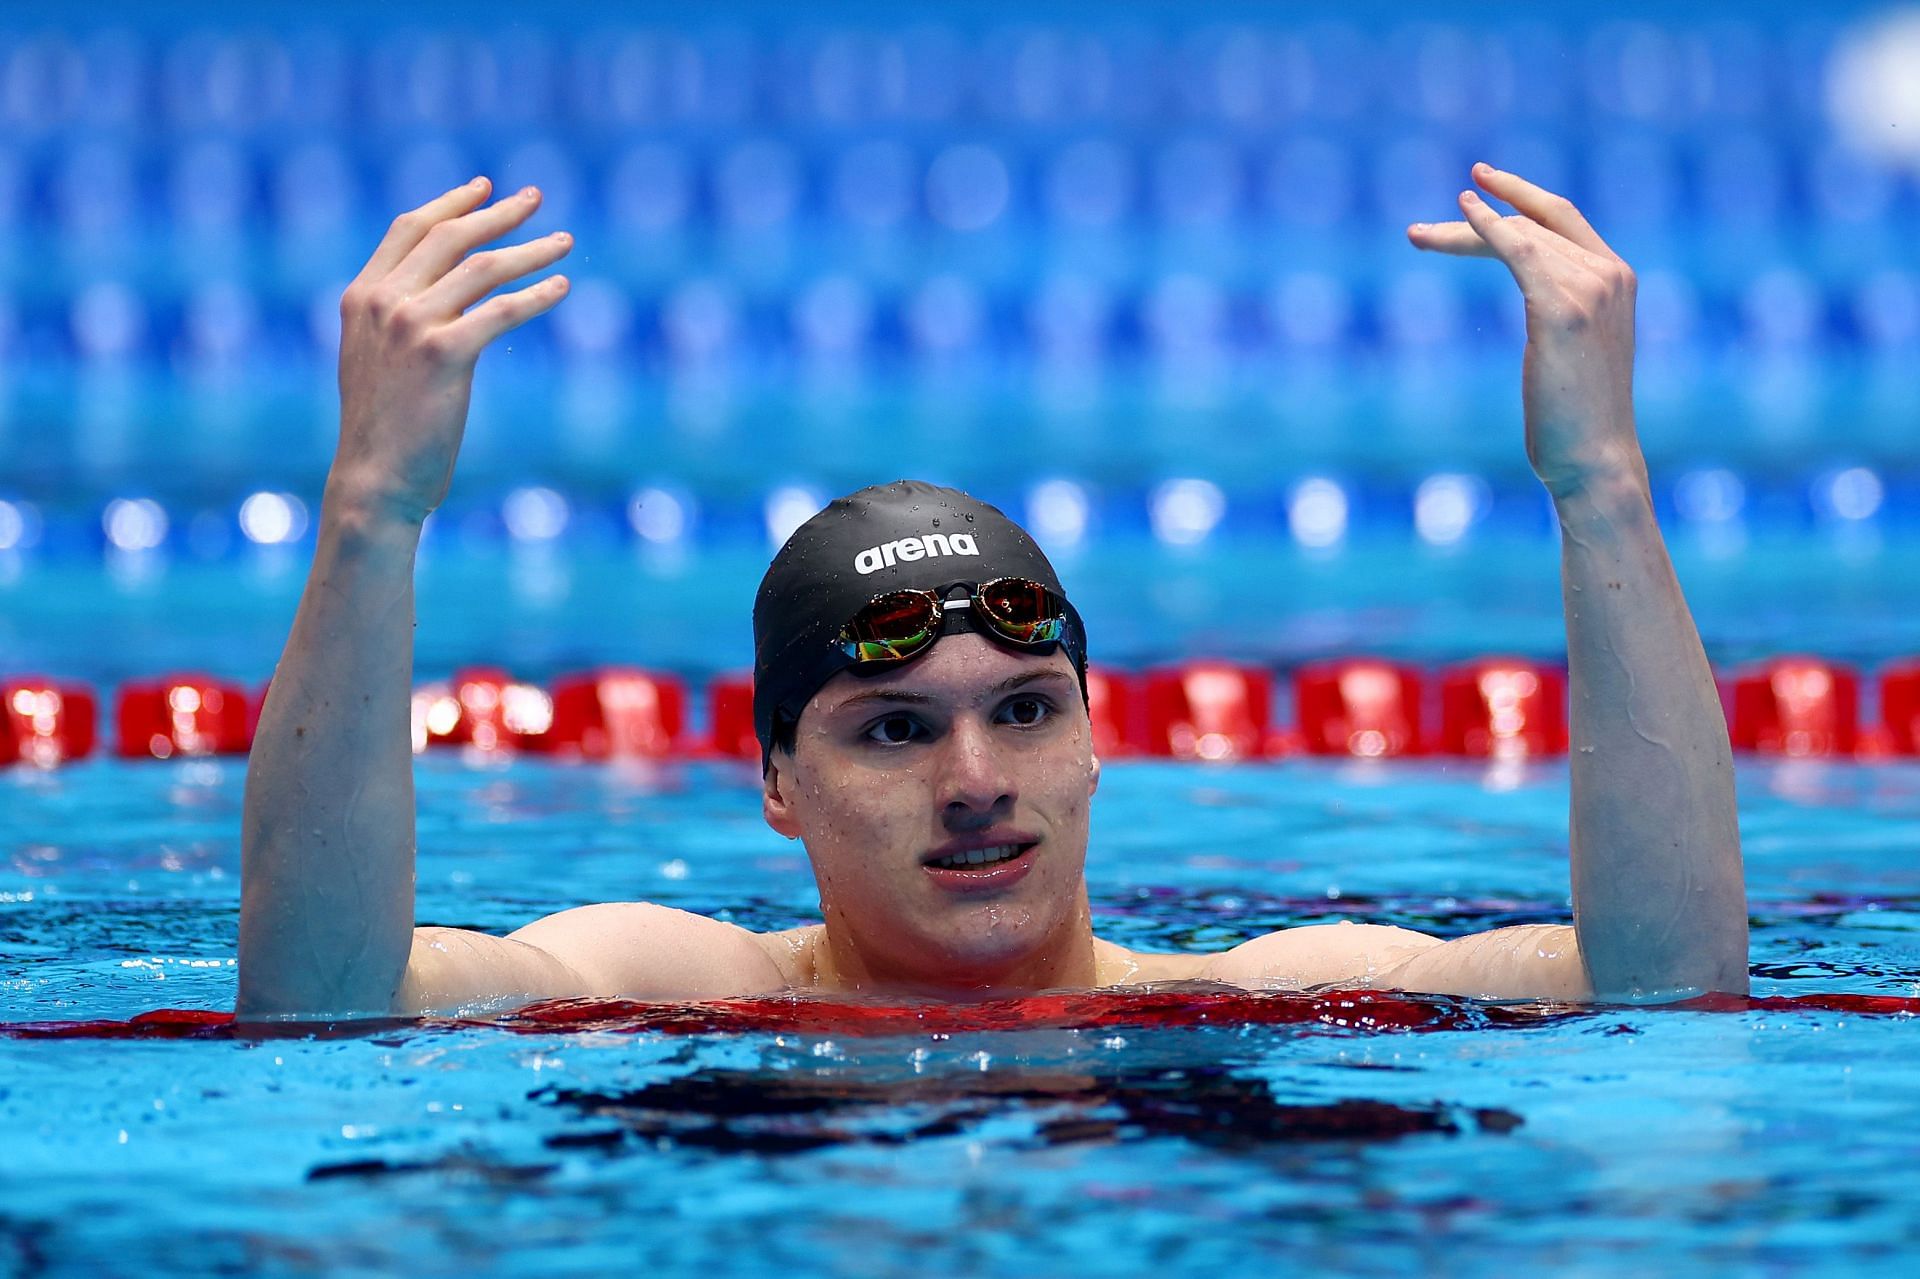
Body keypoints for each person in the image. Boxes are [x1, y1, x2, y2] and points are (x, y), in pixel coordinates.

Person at [236, 165, 1748, 1021]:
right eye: (892, 730)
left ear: (1096, 741)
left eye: (1024, 710)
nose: (977, 784)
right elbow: (322, 1002)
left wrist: (1599, 476)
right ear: (774, 780)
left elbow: (1665, 994)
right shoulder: (680, 987)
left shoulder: (1239, 1003)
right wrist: (373, 514)